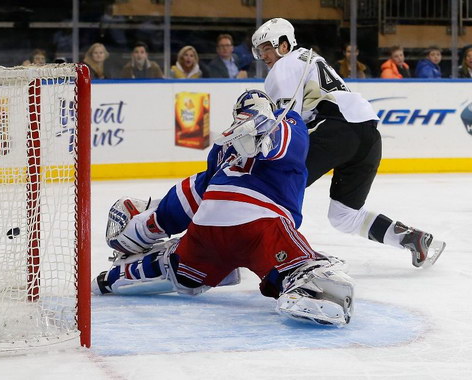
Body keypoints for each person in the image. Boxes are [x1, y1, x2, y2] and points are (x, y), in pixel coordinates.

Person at [94, 89, 355, 327]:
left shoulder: (221, 149)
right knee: (298, 267)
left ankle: (112, 278)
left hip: (207, 227)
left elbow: (188, 197)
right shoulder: (287, 121)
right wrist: (271, 130)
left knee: (180, 269)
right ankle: (309, 283)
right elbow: (287, 142)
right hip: (258, 222)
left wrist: (146, 227)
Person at [249, 18, 445, 267]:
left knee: (274, 188)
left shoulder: (282, 67)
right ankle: (413, 239)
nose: (264, 55)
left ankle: (273, 253)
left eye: (267, 47)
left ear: (284, 44)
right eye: (260, 50)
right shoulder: (309, 58)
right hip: (368, 136)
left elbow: (285, 123)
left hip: (337, 130)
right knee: (344, 215)